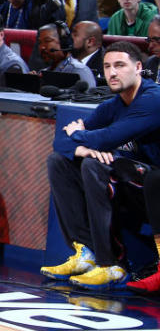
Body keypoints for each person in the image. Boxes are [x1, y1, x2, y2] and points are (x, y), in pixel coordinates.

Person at [42, 42, 160, 289]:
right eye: (107, 67)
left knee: (94, 166)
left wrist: (84, 140)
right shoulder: (113, 105)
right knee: (59, 162)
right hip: (137, 183)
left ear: (138, 67)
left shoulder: (153, 100)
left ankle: (111, 265)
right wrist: (83, 147)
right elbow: (60, 141)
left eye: (120, 65)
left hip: (155, 187)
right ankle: (86, 253)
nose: (112, 73)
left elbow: (109, 137)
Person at [35, 23, 97, 89]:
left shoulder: (79, 71)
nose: (42, 47)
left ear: (64, 43)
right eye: (40, 43)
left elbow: (90, 98)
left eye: (47, 41)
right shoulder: (43, 72)